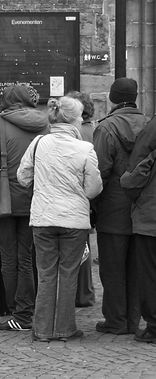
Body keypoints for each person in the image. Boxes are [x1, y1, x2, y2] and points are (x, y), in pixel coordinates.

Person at [17, 96, 102, 342]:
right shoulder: (85, 149)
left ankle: (42, 329)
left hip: (43, 217)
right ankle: (65, 328)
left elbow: (23, 177)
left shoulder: (38, 143)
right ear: (74, 119)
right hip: (73, 220)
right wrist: (79, 195)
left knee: (45, 273)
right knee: (68, 273)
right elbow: (94, 188)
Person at [0, 84, 49, 331]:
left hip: (4, 199)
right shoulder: (45, 124)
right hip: (35, 197)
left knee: (8, 257)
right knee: (26, 257)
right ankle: (29, 310)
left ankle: (20, 314)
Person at [92, 78, 146, 335]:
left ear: (113, 98)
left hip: (113, 207)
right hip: (142, 207)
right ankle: (133, 319)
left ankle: (116, 320)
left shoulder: (106, 128)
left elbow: (100, 170)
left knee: (112, 267)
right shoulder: (148, 124)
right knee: (137, 267)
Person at [120, 115, 156, 343]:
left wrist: (128, 185)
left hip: (151, 216)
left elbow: (135, 172)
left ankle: (154, 325)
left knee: (150, 273)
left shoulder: (152, 128)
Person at [66, 91, 97, 307]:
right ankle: (85, 292)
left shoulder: (73, 132)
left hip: (71, 193)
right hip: (90, 193)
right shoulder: (95, 129)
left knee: (74, 246)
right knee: (84, 243)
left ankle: (76, 292)